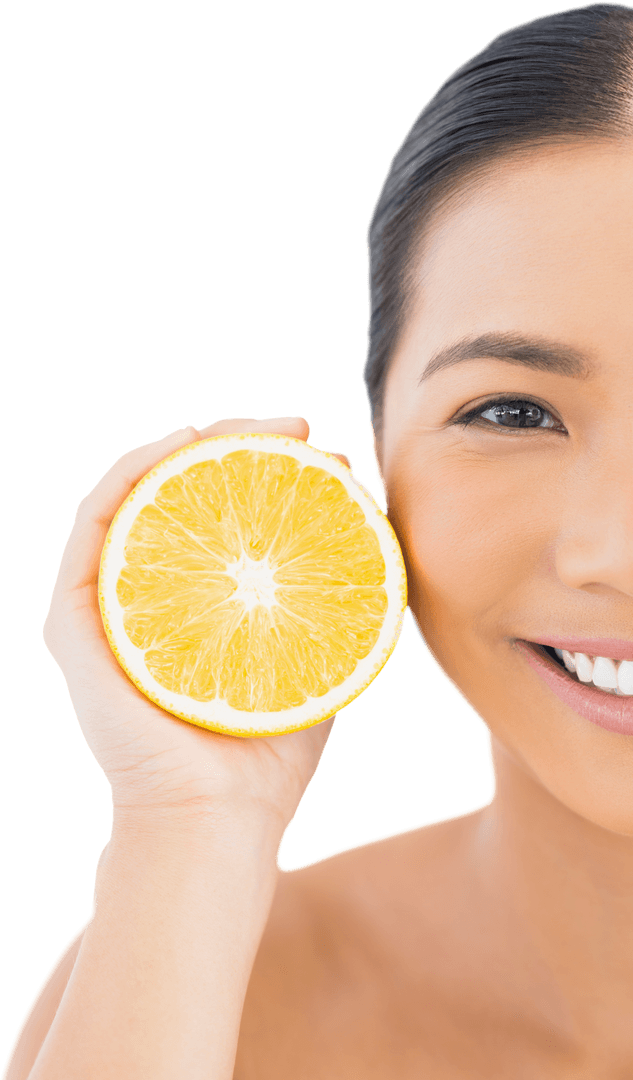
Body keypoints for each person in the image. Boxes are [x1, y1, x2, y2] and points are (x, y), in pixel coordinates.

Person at [4, 2, 633, 1076]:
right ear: (376, 449)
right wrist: (193, 822)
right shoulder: (208, 991)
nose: (614, 551)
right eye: (513, 413)